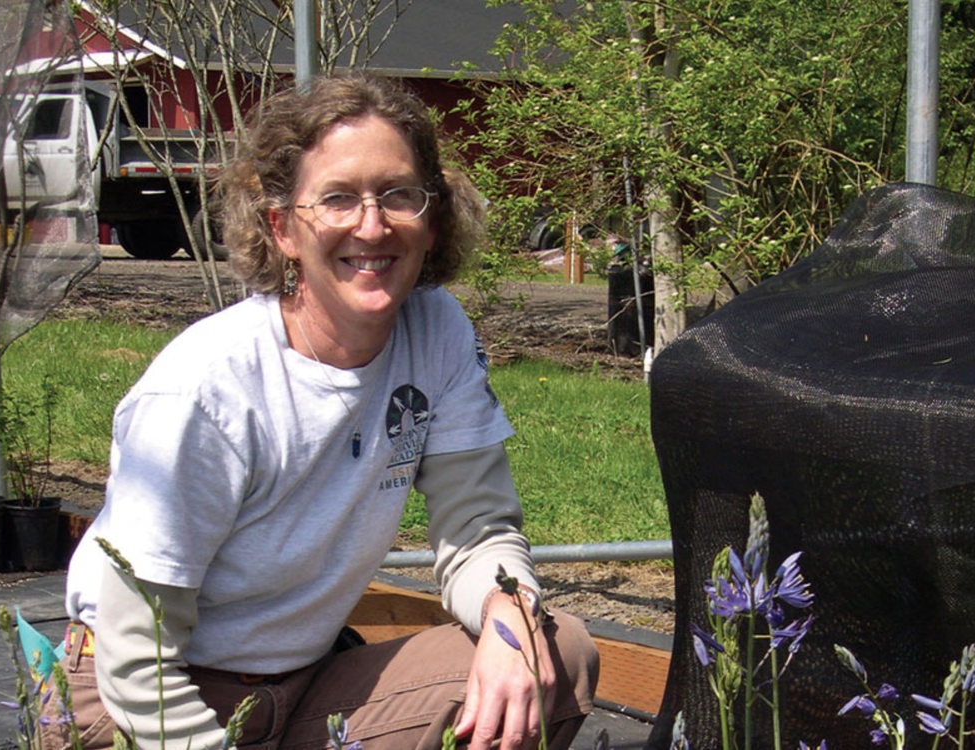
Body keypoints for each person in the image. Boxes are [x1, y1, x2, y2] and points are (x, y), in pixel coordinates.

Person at [40, 73, 598, 750]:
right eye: (337, 199)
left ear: (433, 218)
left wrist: (508, 611)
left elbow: (478, 527)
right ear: (282, 228)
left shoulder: (436, 332)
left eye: (397, 194)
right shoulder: (206, 391)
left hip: (305, 688)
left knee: (551, 651)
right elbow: (136, 658)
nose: (372, 225)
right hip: (140, 701)